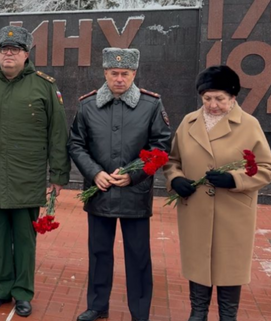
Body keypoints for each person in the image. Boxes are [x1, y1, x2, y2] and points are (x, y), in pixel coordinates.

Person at [0, 25, 70, 317]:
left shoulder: (44, 86)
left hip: (27, 176)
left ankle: (22, 292)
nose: (9, 54)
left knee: (23, 238)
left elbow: (58, 134)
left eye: (16, 49)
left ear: (26, 54)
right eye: (5, 49)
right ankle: (1, 288)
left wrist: (58, 175)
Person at [68, 48, 171, 321]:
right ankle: (98, 306)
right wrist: (94, 173)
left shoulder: (151, 105)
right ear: (104, 72)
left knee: (138, 257)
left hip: (134, 194)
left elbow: (160, 147)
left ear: (134, 73)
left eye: (125, 73)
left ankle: (140, 312)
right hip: (100, 192)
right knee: (99, 253)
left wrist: (135, 175)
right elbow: (77, 145)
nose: (119, 79)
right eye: (114, 73)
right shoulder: (88, 105)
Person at [164, 65, 271, 321]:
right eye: (207, 98)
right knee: (198, 262)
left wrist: (234, 179)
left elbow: (266, 167)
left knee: (229, 266)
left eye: (219, 99)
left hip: (232, 211)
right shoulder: (189, 122)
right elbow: (172, 160)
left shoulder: (249, 124)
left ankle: (228, 316)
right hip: (196, 208)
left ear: (233, 97)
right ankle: (197, 313)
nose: (213, 105)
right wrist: (176, 179)